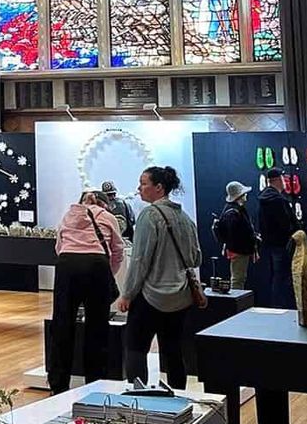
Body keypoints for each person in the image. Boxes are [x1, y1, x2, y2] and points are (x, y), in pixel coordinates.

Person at [118, 166, 201, 390]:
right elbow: (196, 258)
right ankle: (178, 397)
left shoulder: (149, 216)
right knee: (173, 351)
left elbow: (140, 260)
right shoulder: (185, 218)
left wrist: (127, 294)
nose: (139, 188)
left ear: (159, 187)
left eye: (143, 183)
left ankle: (139, 398)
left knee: (136, 348)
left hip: (150, 296)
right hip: (181, 297)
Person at [47, 189, 123, 393]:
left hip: (67, 264)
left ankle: (58, 384)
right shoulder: (108, 217)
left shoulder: (68, 215)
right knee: (97, 326)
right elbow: (118, 250)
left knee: (62, 324)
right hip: (96, 265)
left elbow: (59, 246)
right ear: (104, 204)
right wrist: (109, 273)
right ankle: (95, 381)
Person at [257, 166, 295, 308]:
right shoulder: (279, 201)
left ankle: (276, 307)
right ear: (279, 180)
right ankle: (284, 306)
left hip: (269, 244)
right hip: (282, 243)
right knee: (283, 277)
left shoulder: (263, 199)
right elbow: (285, 223)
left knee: (275, 277)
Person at [212, 181, 258, 290]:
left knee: (239, 278)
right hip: (239, 251)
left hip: (239, 250)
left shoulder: (234, 210)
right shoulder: (233, 213)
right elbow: (234, 234)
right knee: (238, 279)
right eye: (244, 194)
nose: (246, 196)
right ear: (239, 196)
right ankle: (237, 298)